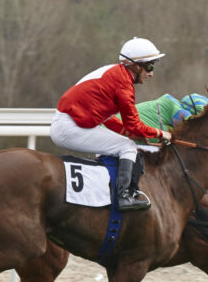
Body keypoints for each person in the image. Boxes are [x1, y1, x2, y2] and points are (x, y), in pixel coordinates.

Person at [50, 37, 172, 211]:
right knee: (128, 147)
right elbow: (134, 125)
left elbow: (109, 119)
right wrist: (161, 133)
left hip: (70, 123)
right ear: (136, 66)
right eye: (149, 66)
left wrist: (141, 137)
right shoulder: (123, 84)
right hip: (69, 128)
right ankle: (124, 197)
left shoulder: (116, 74)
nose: (151, 73)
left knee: (122, 142)